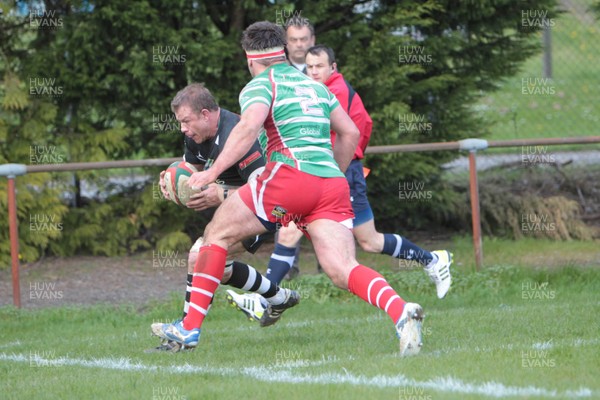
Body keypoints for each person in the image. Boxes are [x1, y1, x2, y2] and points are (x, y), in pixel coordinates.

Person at [155, 21, 425, 356]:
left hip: (290, 176)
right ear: (282, 51)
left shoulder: (260, 84)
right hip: (331, 183)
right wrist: (328, 176)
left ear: (251, 58)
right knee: (342, 269)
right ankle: (402, 313)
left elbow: (249, 127)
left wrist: (210, 175)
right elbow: (351, 134)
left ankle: (189, 329)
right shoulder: (316, 87)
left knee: (215, 235)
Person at [227, 45, 452, 320]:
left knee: (365, 241)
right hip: (321, 172)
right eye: (309, 67)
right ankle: (266, 298)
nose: (313, 72)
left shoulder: (334, 91)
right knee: (293, 230)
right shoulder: (309, 87)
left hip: (340, 170)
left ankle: (432, 260)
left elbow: (350, 132)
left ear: (333, 68)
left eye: (319, 66)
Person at [149, 83, 298, 352]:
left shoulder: (238, 136)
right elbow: (189, 172)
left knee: (200, 255)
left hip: (270, 207)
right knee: (221, 268)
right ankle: (279, 297)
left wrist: (221, 195)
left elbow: (263, 192)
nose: (183, 128)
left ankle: (181, 335)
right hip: (240, 206)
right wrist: (172, 182)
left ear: (206, 114)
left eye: (186, 121)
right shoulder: (195, 136)